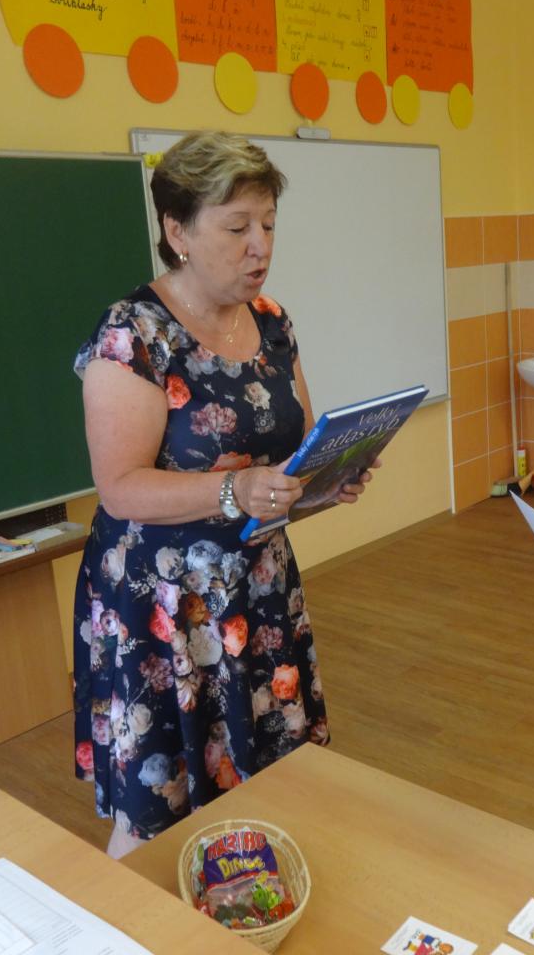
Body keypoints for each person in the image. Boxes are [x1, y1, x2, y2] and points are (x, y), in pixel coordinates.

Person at [71, 132, 372, 858]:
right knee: (159, 812)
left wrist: (325, 481)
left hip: (258, 588)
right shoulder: (133, 334)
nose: (259, 246)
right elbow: (120, 489)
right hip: (164, 606)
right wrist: (238, 488)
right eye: (237, 227)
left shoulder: (271, 320)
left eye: (268, 223)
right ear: (177, 231)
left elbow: (288, 461)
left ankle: (242, 901)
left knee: (270, 777)